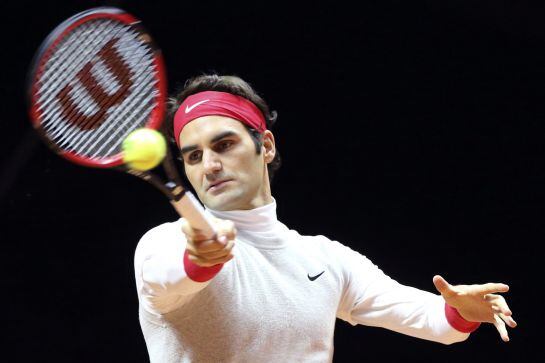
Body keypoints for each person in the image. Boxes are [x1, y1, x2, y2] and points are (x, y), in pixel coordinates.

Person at [134, 74, 516, 362]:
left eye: (224, 144)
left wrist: (462, 310)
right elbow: (166, 279)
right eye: (194, 156)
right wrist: (198, 260)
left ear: (265, 146)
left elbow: (435, 321)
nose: (211, 165)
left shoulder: (325, 259)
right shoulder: (165, 244)